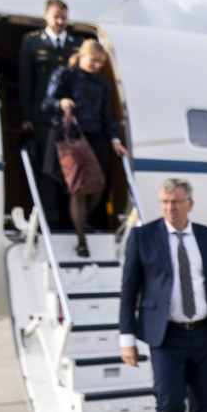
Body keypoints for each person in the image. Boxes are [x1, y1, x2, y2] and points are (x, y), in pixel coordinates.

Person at [119, 178, 207, 412]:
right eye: (164, 202)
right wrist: (127, 337)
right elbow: (129, 289)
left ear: (189, 204)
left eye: (175, 202)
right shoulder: (143, 237)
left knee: (206, 409)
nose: (169, 208)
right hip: (166, 337)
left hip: (205, 334)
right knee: (170, 405)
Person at [44, 39, 128, 257]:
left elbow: (107, 115)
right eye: (94, 61)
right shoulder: (64, 75)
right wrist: (61, 104)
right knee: (79, 188)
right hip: (72, 137)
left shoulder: (102, 84)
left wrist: (114, 139)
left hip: (95, 136)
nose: (97, 66)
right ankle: (81, 240)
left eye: (100, 63)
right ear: (82, 56)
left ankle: (78, 220)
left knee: (98, 185)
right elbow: (46, 103)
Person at [17, 0, 81, 228]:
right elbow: (26, 82)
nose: (60, 21)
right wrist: (27, 117)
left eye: (64, 17)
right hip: (43, 118)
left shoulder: (77, 45)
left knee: (70, 169)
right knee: (47, 168)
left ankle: (68, 219)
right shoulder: (32, 43)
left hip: (69, 120)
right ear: (46, 15)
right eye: (56, 16)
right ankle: (50, 218)